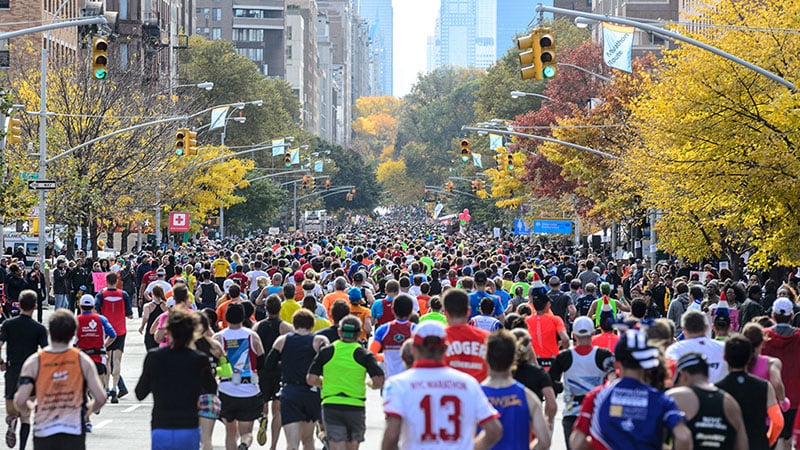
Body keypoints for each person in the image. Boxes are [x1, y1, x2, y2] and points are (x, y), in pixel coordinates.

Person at [381, 321, 502, 450]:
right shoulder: (468, 383)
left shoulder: (398, 384)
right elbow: (494, 430)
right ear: (445, 349)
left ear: (413, 349)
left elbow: (392, 436)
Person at [571, 329, 692, 450]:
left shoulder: (597, 396)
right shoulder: (661, 399)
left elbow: (577, 443)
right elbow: (683, 437)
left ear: (616, 364)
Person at [13, 310, 107, 450]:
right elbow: (100, 397)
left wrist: (33, 408)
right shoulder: (82, 360)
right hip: (73, 429)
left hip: (44, 430)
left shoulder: (34, 361)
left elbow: (20, 400)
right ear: (73, 334)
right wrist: (88, 412)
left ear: (49, 332)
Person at [135, 309, 218, 450]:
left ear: (168, 331)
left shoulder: (154, 357)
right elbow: (211, 388)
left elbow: (140, 393)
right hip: (188, 426)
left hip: (161, 425)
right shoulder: (199, 359)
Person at [307, 315, 385, 450]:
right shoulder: (364, 355)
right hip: (355, 405)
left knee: (336, 445)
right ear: (360, 334)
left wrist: (324, 382)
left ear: (339, 332)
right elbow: (379, 381)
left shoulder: (327, 351)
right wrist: (370, 384)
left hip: (331, 404)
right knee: (352, 446)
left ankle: (324, 437)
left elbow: (311, 379)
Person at [265, 309, 329, 450]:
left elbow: (269, 364)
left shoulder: (282, 340)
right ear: (312, 325)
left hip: (290, 392)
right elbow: (328, 361)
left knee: (292, 443)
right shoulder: (319, 341)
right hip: (311, 392)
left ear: (294, 324)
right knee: (308, 440)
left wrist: (285, 365)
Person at [549, 316, 613, 449]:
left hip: (571, 415)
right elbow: (615, 381)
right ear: (593, 333)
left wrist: (560, 388)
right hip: (597, 415)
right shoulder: (604, 356)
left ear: (573, 335)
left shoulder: (564, 357)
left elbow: (551, 381)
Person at [481, 329, 550, 450]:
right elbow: (544, 441)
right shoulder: (528, 397)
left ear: (486, 357)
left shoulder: (475, 395)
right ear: (514, 359)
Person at [667, 352, 748, 449]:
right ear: (708, 375)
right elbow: (742, 446)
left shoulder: (676, 396)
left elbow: (652, 438)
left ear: (683, 376)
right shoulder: (730, 402)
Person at [213, 303, 266, 450]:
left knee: (230, 432)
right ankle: (243, 444)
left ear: (226, 317)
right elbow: (262, 362)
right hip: (249, 389)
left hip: (226, 389)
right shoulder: (252, 336)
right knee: (247, 432)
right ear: (243, 317)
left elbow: (210, 363)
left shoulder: (218, 338)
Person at [716, 335, 783, 450]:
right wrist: (768, 441)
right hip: (757, 444)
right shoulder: (765, 386)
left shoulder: (717, 389)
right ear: (749, 357)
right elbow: (778, 421)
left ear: (725, 358)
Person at [0, 290, 48, 449]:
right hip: (30, 373)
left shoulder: (8, 325)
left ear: (19, 305)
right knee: (26, 415)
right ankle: (22, 447)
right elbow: (46, 351)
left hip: (12, 369)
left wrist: (1, 361)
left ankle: (12, 420)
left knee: (11, 409)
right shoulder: (39, 328)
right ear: (35, 306)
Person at [253, 295, 294, 450]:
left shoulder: (257, 326)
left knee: (263, 403)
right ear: (280, 308)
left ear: (265, 308)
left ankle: (263, 418)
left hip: (262, 369)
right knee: (277, 409)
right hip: (279, 369)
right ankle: (273, 445)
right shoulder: (285, 327)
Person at [760, 297, 799, 450]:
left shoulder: (763, 336)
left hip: (769, 398)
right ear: (791, 316)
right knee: (789, 441)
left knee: (770, 439)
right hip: (795, 397)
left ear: (773, 316)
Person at [94, 271, 133, 403]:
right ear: (116, 281)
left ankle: (106, 388)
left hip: (106, 330)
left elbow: (96, 310)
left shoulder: (101, 294)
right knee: (117, 361)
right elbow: (130, 314)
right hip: (120, 329)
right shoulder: (124, 294)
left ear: (106, 281)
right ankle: (115, 387)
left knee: (106, 359)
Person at [75, 294, 117, 414]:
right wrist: (104, 345)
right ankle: (94, 405)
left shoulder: (76, 320)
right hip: (99, 358)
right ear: (93, 306)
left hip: (82, 359)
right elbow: (113, 334)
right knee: (99, 388)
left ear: (81, 306)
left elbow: (71, 339)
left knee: (83, 390)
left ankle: (87, 416)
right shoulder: (101, 319)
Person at [665, 309, 728, 383]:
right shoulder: (724, 348)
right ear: (706, 328)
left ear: (683, 330)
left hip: (687, 393)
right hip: (720, 392)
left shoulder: (674, 350)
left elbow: (670, 377)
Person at [442, 289, 489, 381]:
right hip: (478, 391)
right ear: (468, 311)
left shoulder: (438, 339)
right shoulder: (486, 338)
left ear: (445, 312)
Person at [369, 294, 415, 379]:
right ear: (411, 311)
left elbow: (372, 355)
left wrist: (386, 357)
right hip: (409, 380)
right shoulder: (416, 330)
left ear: (392, 310)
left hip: (388, 380)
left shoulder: (383, 330)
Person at [526, 290, 569, 369]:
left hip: (533, 361)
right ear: (547, 305)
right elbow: (565, 339)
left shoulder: (526, 321)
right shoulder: (555, 319)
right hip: (552, 361)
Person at [139, 285, 169, 350]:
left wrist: (142, 327)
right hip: (162, 332)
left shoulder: (147, 306)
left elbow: (146, 317)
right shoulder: (166, 305)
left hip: (150, 331)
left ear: (152, 293)